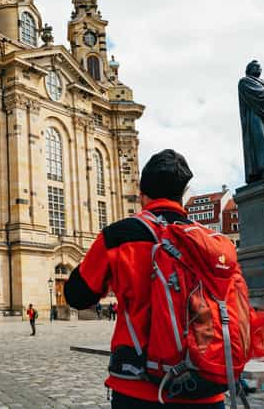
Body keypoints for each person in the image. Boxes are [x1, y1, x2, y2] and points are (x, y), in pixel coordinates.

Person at [65, 149, 226, 408]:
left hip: (139, 387)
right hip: (206, 386)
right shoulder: (212, 242)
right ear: (183, 193)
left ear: (142, 194)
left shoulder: (119, 236)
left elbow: (77, 295)